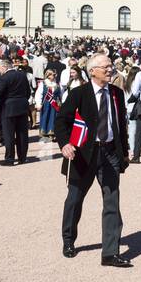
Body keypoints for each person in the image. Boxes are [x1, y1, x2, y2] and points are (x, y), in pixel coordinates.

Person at [55, 54, 130, 267]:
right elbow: (62, 121)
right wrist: (64, 144)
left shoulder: (116, 93)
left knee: (112, 201)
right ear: (92, 71)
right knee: (75, 199)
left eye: (111, 66)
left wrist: (124, 151)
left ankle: (110, 252)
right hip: (83, 154)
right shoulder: (79, 93)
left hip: (109, 153)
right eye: (106, 67)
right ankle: (68, 240)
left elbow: (120, 124)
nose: (110, 69)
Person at [0, 56, 32, 165]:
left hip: (8, 107)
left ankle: (9, 159)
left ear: (4, 67)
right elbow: (27, 92)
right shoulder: (22, 75)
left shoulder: (4, 78)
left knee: (9, 135)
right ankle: (22, 157)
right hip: (22, 106)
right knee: (22, 134)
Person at [34, 69, 62, 141]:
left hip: (54, 104)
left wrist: (61, 102)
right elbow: (38, 94)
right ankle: (45, 133)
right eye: (52, 74)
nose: (54, 76)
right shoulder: (43, 84)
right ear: (48, 75)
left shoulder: (57, 84)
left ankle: (52, 133)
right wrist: (38, 103)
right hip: (46, 104)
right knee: (45, 116)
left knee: (54, 118)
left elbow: (60, 94)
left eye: (54, 74)